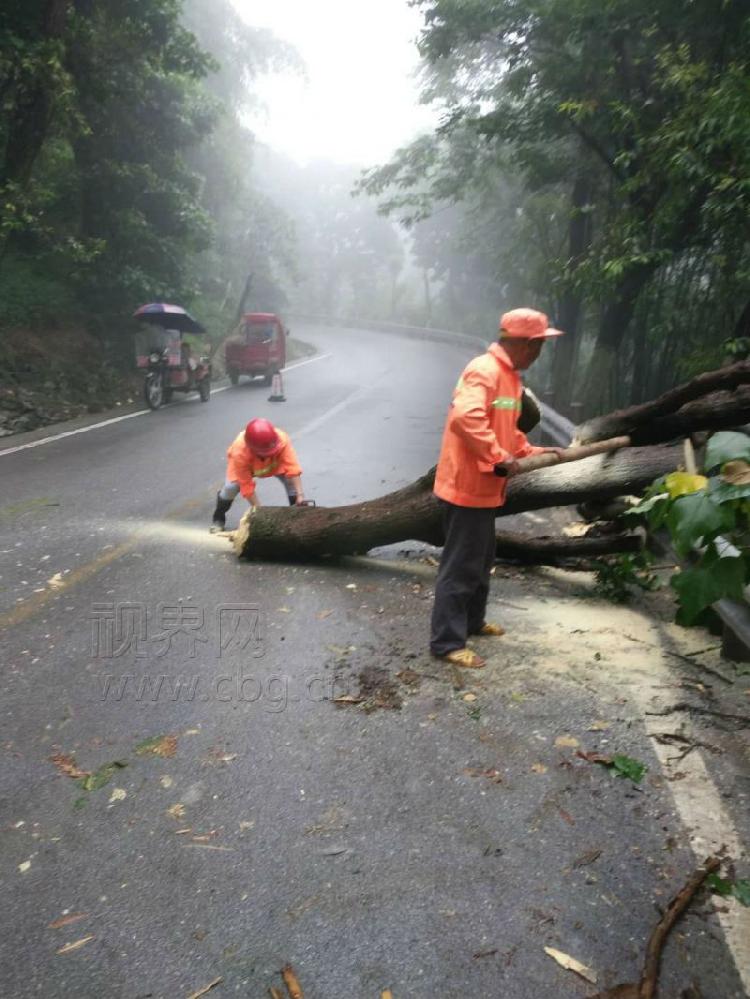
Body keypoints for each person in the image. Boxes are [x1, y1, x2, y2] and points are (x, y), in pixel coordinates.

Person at [430, 308, 565, 669]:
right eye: (537, 346)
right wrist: (497, 455)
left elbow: (507, 428)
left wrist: (530, 451)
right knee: (461, 566)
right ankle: (446, 642)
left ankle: (472, 621)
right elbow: (465, 417)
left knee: (482, 560)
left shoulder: (509, 377)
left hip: (486, 487)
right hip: (467, 486)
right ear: (522, 343)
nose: (539, 354)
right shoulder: (484, 370)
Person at [210, 418, 304, 531]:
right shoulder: (239, 451)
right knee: (230, 488)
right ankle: (218, 518)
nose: (267, 455)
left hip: (274, 464)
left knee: (291, 482)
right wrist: (260, 512)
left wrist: (300, 495)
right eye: (264, 454)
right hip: (248, 466)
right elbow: (246, 486)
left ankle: (295, 516)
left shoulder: (281, 439)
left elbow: (293, 467)